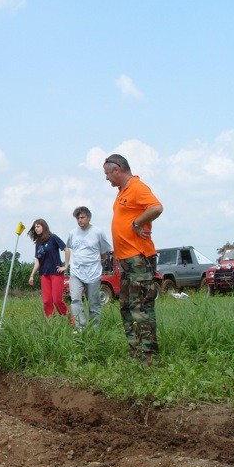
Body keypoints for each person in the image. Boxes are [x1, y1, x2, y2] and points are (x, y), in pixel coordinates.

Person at [103, 154, 163, 365]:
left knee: (141, 307)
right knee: (127, 306)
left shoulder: (137, 187)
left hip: (139, 259)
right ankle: (135, 351)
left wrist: (137, 223)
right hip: (126, 261)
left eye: (107, 174)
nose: (107, 179)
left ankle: (148, 355)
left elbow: (156, 207)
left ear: (117, 170)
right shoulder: (122, 192)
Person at [64, 206, 112, 331]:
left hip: (93, 273)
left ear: (89, 218)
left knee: (93, 303)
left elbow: (105, 251)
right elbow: (69, 248)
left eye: (82, 217)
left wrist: (96, 261)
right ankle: (80, 328)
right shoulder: (73, 233)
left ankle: (94, 330)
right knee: (75, 300)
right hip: (76, 272)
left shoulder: (98, 232)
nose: (80, 220)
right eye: (78, 218)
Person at [27, 219, 70, 320]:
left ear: (44, 226)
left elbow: (66, 249)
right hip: (44, 275)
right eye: (35, 227)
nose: (36, 229)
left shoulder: (53, 238)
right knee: (47, 301)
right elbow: (38, 260)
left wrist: (66, 266)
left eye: (38, 226)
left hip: (56, 273)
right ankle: (52, 324)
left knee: (57, 300)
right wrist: (32, 275)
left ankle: (70, 321)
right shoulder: (38, 243)